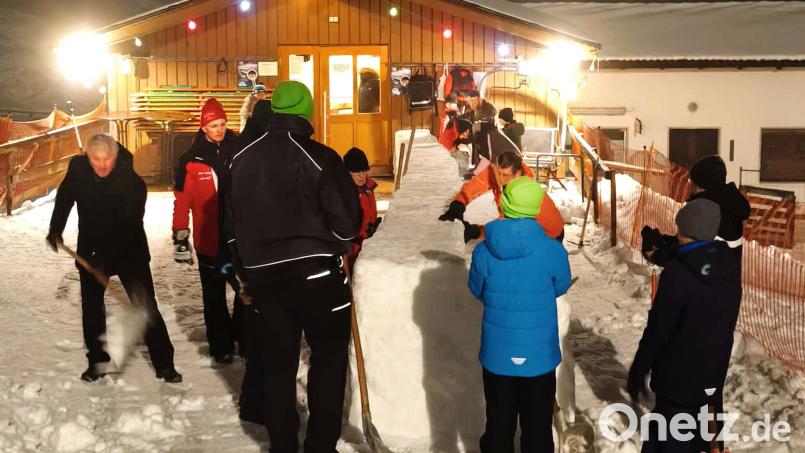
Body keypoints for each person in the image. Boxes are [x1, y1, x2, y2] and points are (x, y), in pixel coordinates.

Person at [229, 80, 361, 452]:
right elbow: (346, 223)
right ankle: (320, 444)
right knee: (329, 359)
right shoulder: (320, 157)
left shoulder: (241, 158)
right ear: (307, 112)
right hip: (318, 275)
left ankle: (283, 444)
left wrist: (243, 269)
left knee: (278, 366)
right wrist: (334, 240)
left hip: (265, 279)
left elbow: (231, 224)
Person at [46, 134, 181, 383]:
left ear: (115, 156)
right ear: (88, 157)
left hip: (129, 251)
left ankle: (165, 363)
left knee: (145, 306)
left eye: (107, 159)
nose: (102, 165)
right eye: (96, 160)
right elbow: (65, 197)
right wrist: (56, 229)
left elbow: (128, 226)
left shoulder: (131, 183)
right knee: (92, 309)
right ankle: (97, 361)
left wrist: (105, 259)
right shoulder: (78, 170)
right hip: (91, 248)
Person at [628, 199, 741, 453]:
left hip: (677, 379)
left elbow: (658, 330)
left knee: (671, 438)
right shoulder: (729, 266)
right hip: (713, 372)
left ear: (685, 229)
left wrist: (639, 369)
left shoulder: (678, 274)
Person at [468, 176, 572, 453]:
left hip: (497, 355)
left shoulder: (483, 251)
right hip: (540, 356)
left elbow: (476, 289)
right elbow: (560, 286)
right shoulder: (553, 249)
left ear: (504, 203)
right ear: (536, 207)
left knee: (498, 426)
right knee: (538, 428)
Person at [173, 98, 244, 365]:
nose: (220, 129)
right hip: (210, 243)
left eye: (223, 124)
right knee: (214, 299)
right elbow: (182, 201)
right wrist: (180, 235)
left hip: (236, 240)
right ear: (204, 127)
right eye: (214, 125)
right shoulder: (190, 161)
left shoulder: (238, 150)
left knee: (243, 293)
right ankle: (221, 345)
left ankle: (243, 337)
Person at [642, 155, 750, 267]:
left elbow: (685, 251)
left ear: (702, 184)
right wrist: (664, 239)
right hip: (721, 278)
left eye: (692, 181)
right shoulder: (727, 205)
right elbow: (692, 241)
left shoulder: (706, 210)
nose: (690, 186)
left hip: (704, 279)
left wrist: (655, 255)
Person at [439, 152, 565, 243]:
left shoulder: (524, 193)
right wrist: (458, 204)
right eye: (498, 173)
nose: (500, 179)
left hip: (550, 235)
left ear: (518, 173)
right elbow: (475, 185)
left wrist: (477, 232)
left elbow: (506, 229)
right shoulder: (498, 173)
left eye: (505, 175)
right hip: (527, 230)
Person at [343, 147, 381, 268]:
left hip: (368, 245)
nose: (362, 176)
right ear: (347, 172)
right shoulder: (343, 193)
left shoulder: (368, 189)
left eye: (364, 172)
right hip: (351, 250)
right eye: (357, 172)